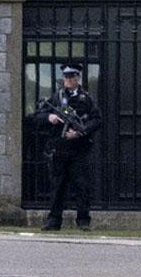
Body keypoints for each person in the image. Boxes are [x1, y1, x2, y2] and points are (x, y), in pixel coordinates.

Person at [32, 63, 102, 232]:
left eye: (72, 77)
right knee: (57, 186)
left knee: (82, 186)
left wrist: (80, 132)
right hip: (59, 148)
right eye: (66, 77)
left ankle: (83, 220)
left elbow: (96, 119)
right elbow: (36, 116)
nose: (69, 80)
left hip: (79, 149)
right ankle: (54, 221)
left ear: (78, 78)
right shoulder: (56, 98)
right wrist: (50, 117)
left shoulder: (86, 99)